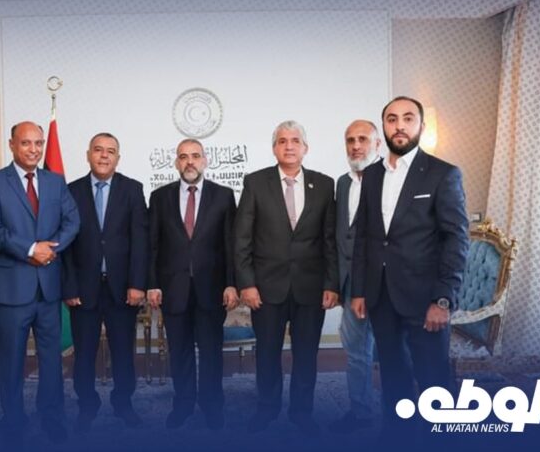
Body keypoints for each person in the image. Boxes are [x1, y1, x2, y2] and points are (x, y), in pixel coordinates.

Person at [351, 96, 469, 437]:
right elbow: (364, 236)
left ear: (421, 126)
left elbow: (456, 239)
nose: (399, 125)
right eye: (392, 119)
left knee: (434, 379)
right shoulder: (372, 174)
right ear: (384, 127)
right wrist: (359, 290)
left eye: (407, 118)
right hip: (381, 295)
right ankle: (398, 435)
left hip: (425, 298)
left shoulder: (442, 173)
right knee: (392, 373)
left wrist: (443, 299)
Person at [234, 120, 339, 436]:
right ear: (274, 148)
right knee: (267, 354)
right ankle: (267, 409)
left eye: (295, 140)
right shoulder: (255, 182)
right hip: (266, 289)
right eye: (282, 141)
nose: (289, 146)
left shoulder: (324, 184)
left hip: (311, 288)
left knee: (306, 356)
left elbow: (329, 240)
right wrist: (247, 283)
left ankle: (302, 413)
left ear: (305, 148)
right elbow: (242, 239)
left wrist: (331, 284)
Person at [0, 121, 80, 444]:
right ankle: (13, 421)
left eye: (39, 143)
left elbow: (72, 220)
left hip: (49, 287)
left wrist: (51, 249)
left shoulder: (55, 181)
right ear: (12, 145)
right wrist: (30, 249)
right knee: (11, 361)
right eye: (26, 143)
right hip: (12, 288)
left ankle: (52, 417)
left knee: (51, 360)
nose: (34, 149)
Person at [147, 138, 239, 430]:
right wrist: (152, 283)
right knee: (180, 352)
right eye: (184, 156)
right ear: (176, 162)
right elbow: (152, 246)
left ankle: (213, 407)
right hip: (173, 290)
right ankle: (183, 405)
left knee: (211, 353)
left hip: (211, 289)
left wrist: (231, 284)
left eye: (195, 156)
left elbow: (231, 245)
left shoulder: (223, 196)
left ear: (205, 160)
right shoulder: (159, 197)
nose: (190, 161)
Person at [63, 132, 148, 433]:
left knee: (123, 353)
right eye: (98, 150)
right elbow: (65, 243)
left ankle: (123, 404)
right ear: (88, 155)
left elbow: (140, 240)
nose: (103, 156)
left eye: (110, 151)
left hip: (122, 289)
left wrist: (137, 284)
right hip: (82, 290)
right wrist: (69, 286)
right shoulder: (70, 191)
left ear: (118, 158)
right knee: (84, 354)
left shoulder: (133, 189)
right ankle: (87, 406)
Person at [329, 120, 382, 434]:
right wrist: (337, 283)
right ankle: (361, 413)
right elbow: (341, 237)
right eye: (350, 140)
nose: (356, 146)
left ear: (377, 144)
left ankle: (401, 415)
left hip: (385, 285)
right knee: (356, 352)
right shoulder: (342, 183)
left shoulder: (392, 180)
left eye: (363, 139)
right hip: (350, 284)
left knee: (394, 353)